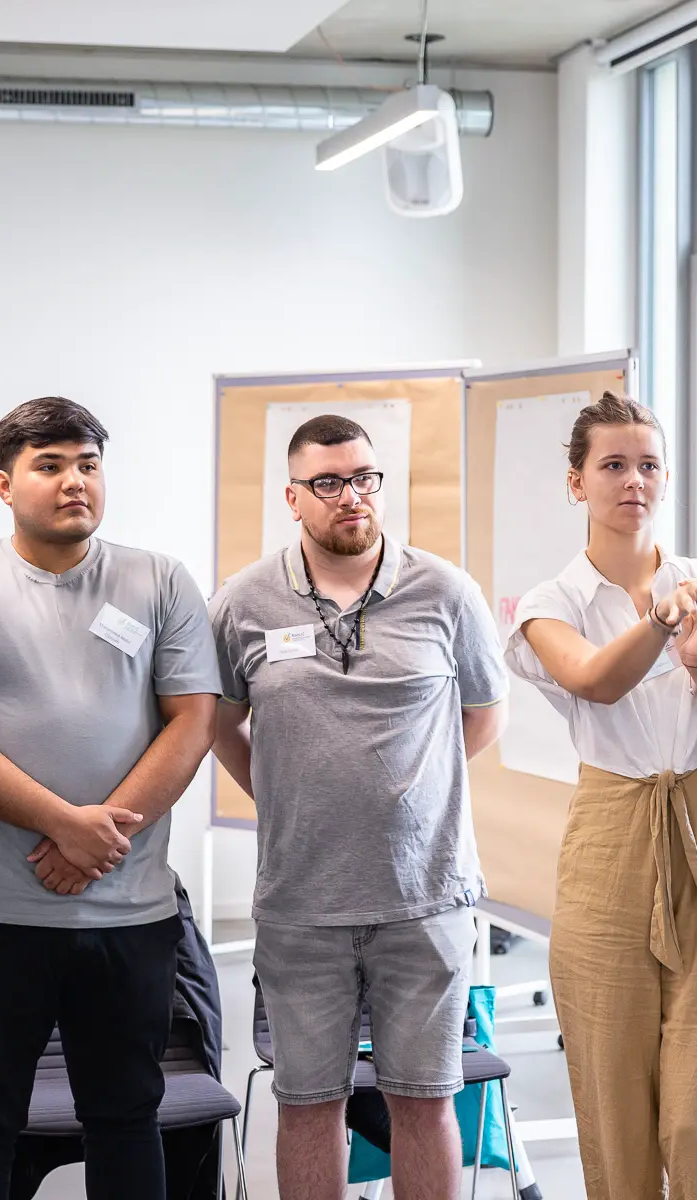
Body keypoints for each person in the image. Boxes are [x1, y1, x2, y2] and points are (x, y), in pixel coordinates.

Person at [0, 396, 220, 1200]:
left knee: (126, 1117)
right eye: (49, 465)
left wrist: (101, 840)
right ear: (4, 483)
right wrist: (65, 826)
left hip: (130, 912)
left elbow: (192, 721)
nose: (74, 481)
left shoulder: (159, 580)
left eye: (87, 463)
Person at [210, 414, 508, 1200]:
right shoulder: (243, 601)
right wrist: (283, 788)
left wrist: (412, 787)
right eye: (330, 483)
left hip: (425, 895)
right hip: (301, 903)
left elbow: (483, 713)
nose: (353, 497)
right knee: (309, 1104)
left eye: (365, 478)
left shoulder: (444, 590)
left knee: (427, 1100)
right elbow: (214, 720)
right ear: (292, 497)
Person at [505, 391, 697, 1199]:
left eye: (648, 464)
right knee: (616, 1109)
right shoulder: (552, 602)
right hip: (609, 838)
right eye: (612, 465)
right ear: (575, 482)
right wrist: (658, 624)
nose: (633, 481)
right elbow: (594, 681)